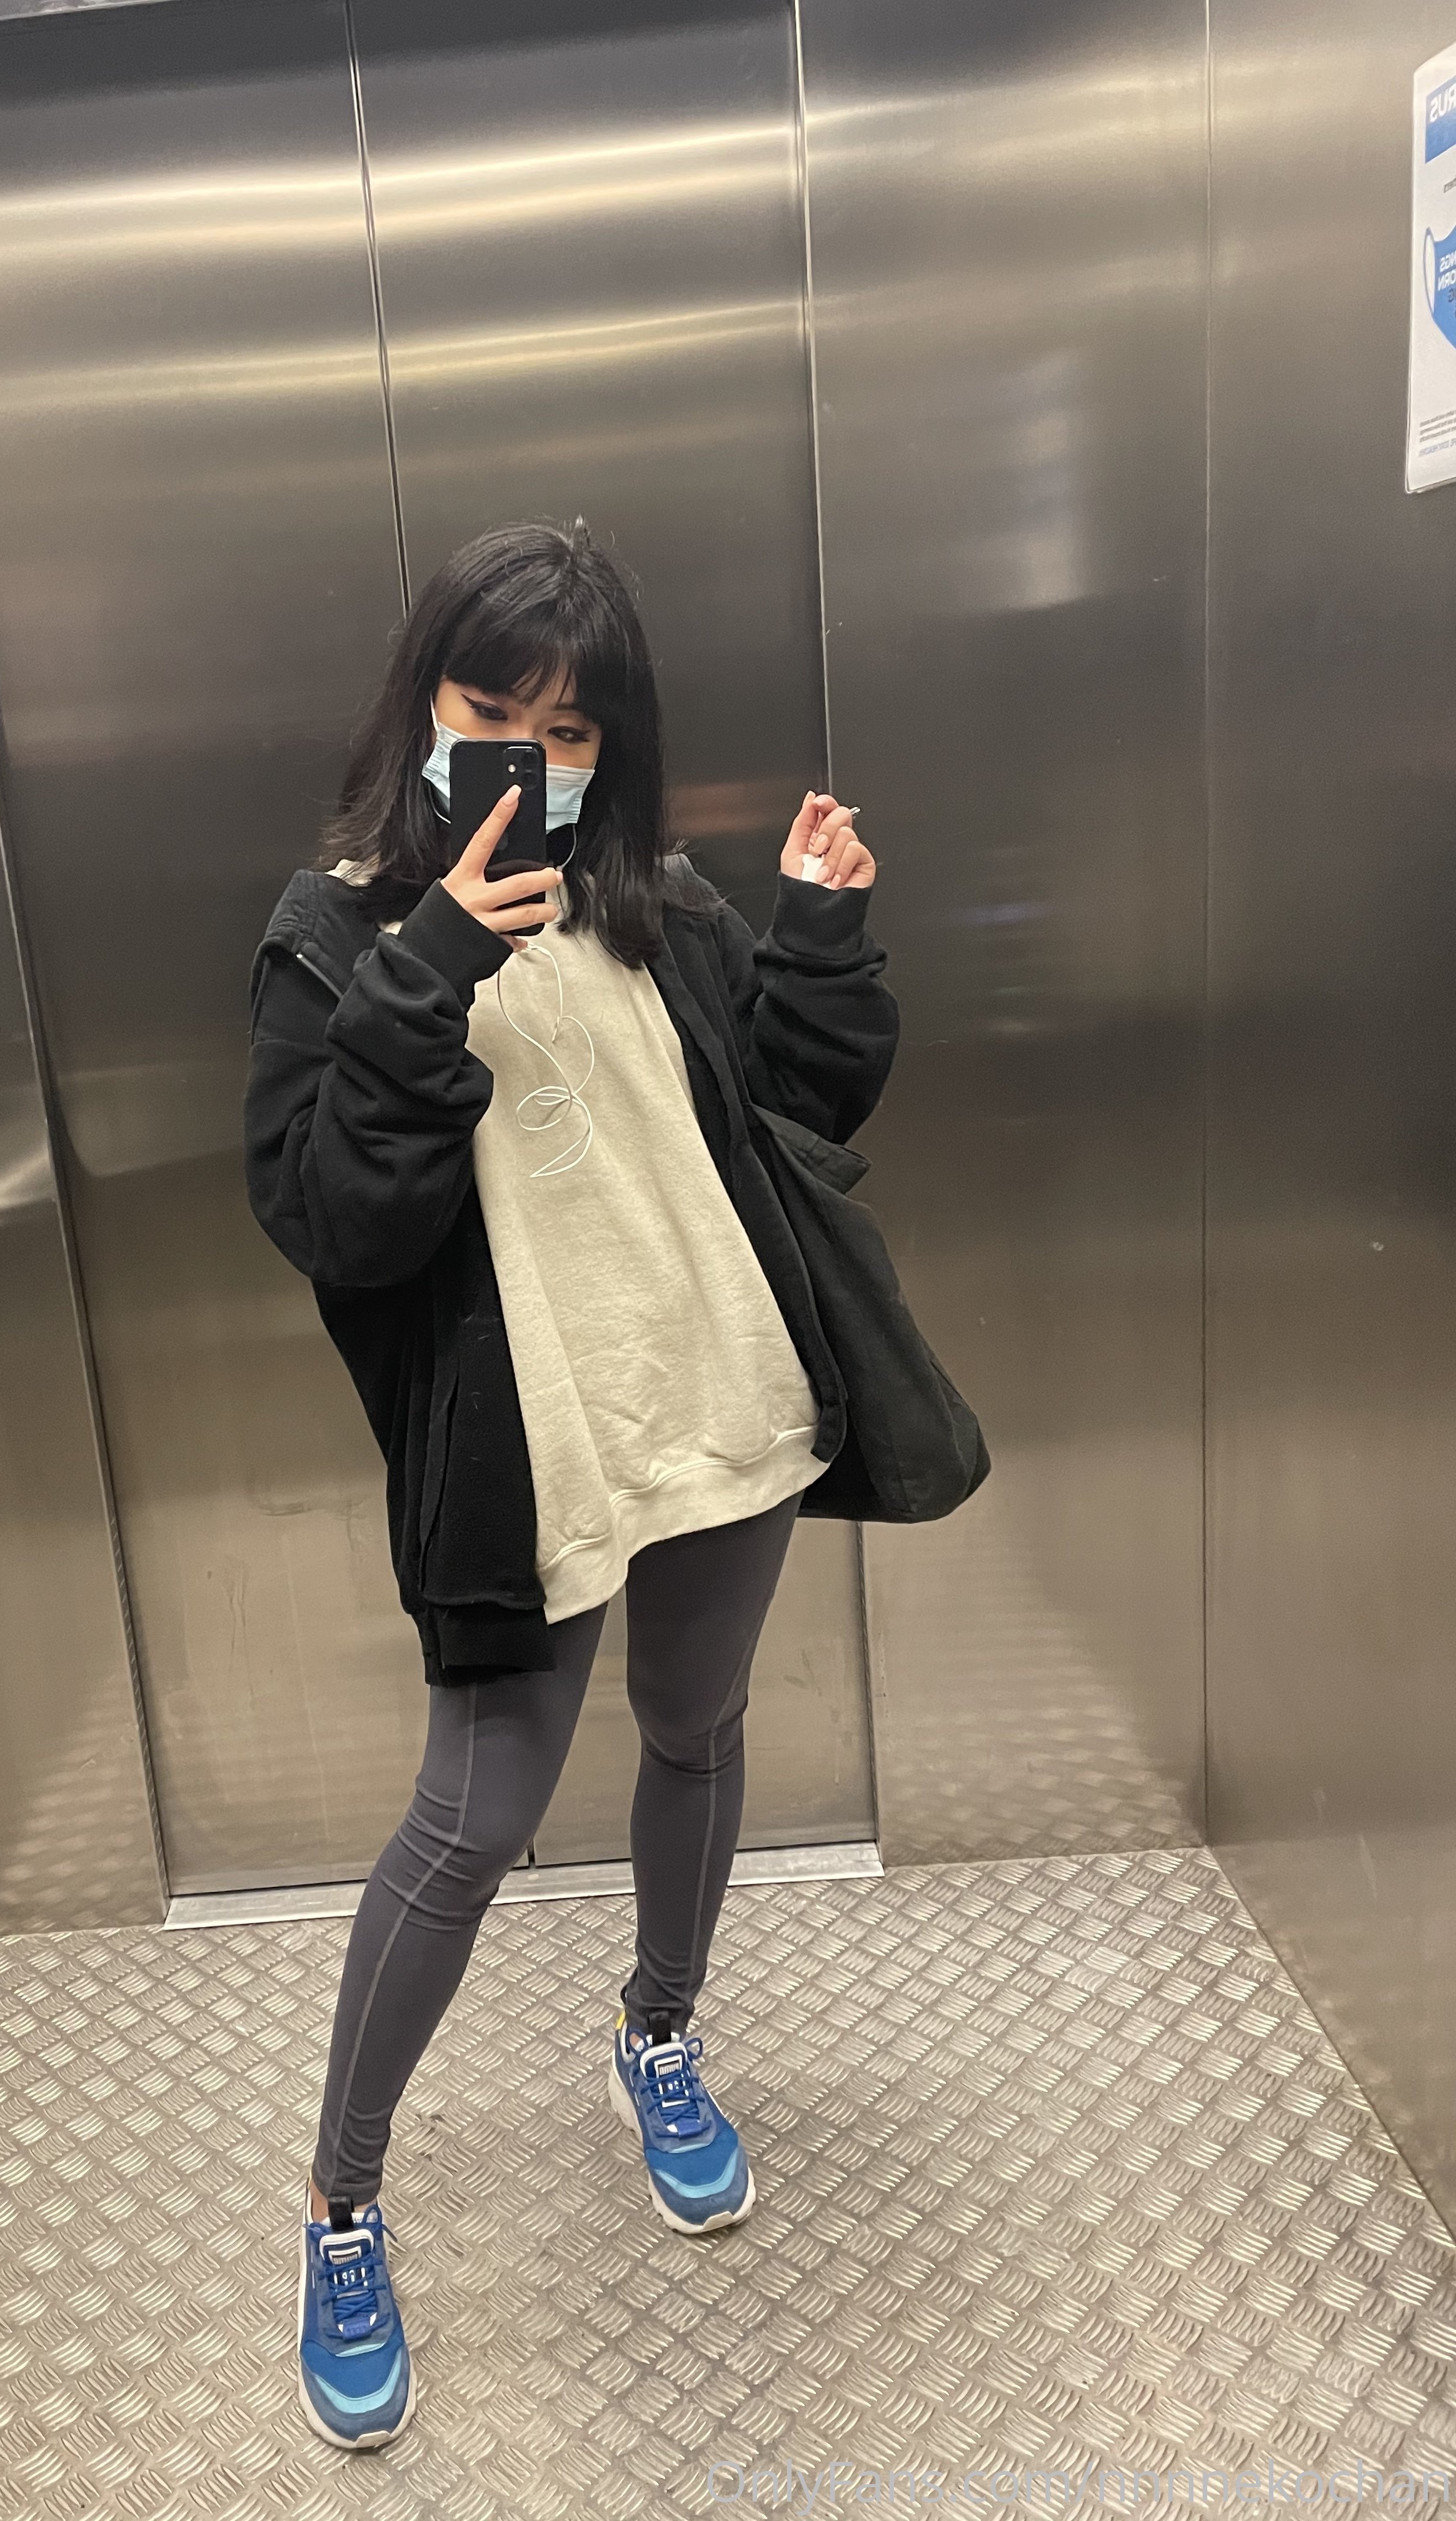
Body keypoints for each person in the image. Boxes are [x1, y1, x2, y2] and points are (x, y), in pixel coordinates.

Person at [243, 518, 893, 2452]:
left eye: (572, 725)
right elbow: (336, 1222)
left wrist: (822, 935)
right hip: (531, 1463)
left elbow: (793, 1113)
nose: (530, 753)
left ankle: (660, 2032)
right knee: (470, 1825)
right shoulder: (333, 934)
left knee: (696, 1733)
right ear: (422, 703)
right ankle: (341, 2204)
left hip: (722, 1412)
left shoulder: (660, 909)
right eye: (490, 706)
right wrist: (439, 956)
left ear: (617, 742)